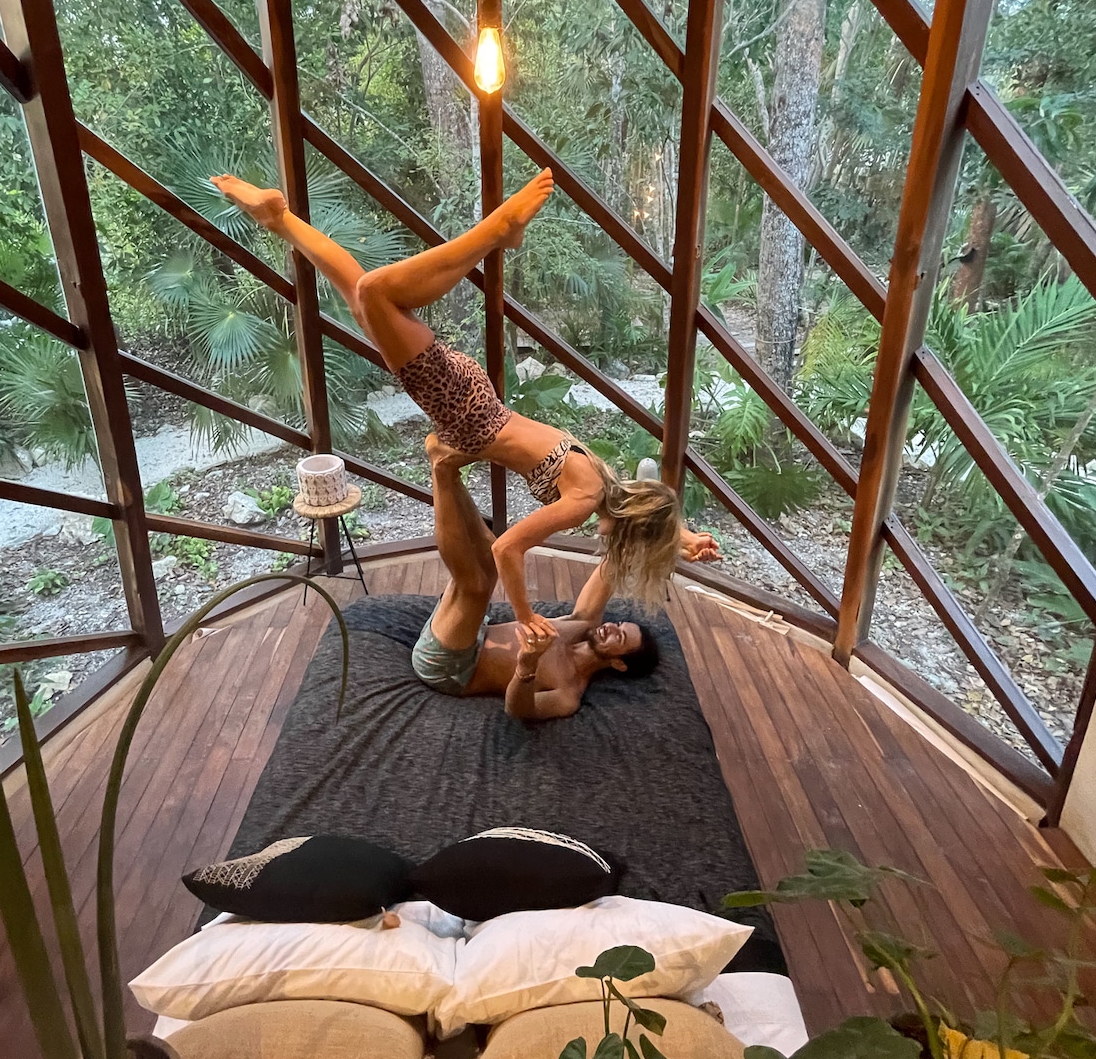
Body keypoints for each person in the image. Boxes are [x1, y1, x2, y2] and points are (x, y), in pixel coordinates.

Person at [212, 168, 716, 634]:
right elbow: (506, 548)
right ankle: (497, 231)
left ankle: (279, 219)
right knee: (373, 292)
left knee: (358, 292)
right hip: (464, 413)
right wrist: (526, 616)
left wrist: (682, 536)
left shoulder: (603, 481)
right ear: (629, 529)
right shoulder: (583, 501)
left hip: (476, 401)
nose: (607, 543)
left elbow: (649, 499)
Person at [409, 437, 720, 720]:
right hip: (472, 630)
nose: (611, 627)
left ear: (619, 663)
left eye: (620, 637)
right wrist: (678, 542)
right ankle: (449, 472)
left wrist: (528, 663)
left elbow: (518, 710)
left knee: (476, 587)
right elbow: (617, 557)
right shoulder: (583, 623)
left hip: (449, 667)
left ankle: (440, 470)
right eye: (619, 625)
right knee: (490, 558)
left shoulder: (568, 692)